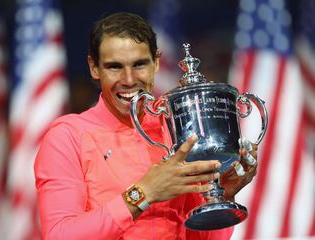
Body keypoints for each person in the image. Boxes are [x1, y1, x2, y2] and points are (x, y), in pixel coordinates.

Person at [34, 12, 258, 239]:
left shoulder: (176, 127)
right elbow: (60, 234)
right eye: (114, 67)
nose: (129, 79)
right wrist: (144, 193)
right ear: (94, 67)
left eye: (139, 64)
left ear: (156, 63)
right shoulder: (67, 136)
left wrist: (224, 197)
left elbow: (202, 236)